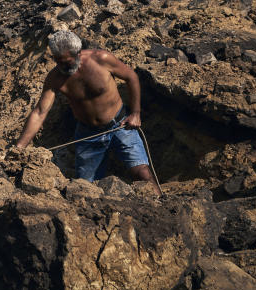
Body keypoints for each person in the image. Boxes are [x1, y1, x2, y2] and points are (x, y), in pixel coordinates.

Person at [13, 30, 161, 194]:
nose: (63, 67)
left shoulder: (101, 59)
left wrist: (135, 113)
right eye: (58, 62)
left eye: (67, 62)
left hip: (121, 125)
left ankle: (164, 208)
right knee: (85, 188)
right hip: (88, 134)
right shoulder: (55, 78)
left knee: (142, 173)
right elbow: (40, 112)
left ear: (77, 53)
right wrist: (19, 148)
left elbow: (131, 77)